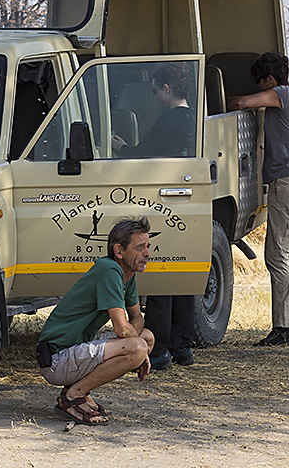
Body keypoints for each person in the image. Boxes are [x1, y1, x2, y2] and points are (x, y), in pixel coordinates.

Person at [112, 63, 197, 369]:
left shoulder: (169, 119)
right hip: (186, 202)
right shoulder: (194, 120)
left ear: (166, 89)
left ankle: (158, 349)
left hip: (161, 196)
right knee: (182, 274)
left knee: (160, 278)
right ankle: (182, 345)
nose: (152, 95)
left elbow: (143, 152)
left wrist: (120, 148)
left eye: (154, 88)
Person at [231, 51, 289, 346]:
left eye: (260, 83)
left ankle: (284, 327)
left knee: (276, 256)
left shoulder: (281, 94)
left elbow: (242, 103)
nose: (259, 89)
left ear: (270, 79)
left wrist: (224, 105)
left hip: (288, 185)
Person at [36, 217, 156, 425]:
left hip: (75, 350)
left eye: (148, 246)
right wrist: (140, 351)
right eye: (140, 248)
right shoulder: (109, 270)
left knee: (147, 338)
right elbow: (121, 328)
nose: (147, 253)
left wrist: (142, 346)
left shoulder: (127, 274)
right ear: (119, 251)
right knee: (137, 347)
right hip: (56, 359)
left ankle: (79, 389)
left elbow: (137, 318)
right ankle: (74, 396)